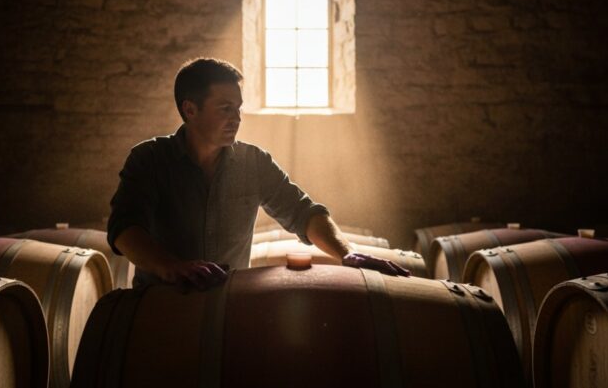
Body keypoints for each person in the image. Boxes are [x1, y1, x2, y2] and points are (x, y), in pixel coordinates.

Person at [107, 57, 410, 290]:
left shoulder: (253, 163)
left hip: (228, 308)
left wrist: (346, 253)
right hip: (161, 307)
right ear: (190, 110)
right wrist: (171, 267)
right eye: (225, 108)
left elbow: (303, 212)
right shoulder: (149, 160)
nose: (236, 118)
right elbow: (124, 228)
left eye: (238, 108)